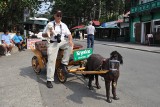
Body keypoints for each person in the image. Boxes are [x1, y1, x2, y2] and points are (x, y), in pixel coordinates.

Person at [42, 10, 74, 88]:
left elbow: (69, 34)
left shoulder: (63, 25)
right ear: (54, 16)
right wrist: (50, 33)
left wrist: (70, 40)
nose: (59, 17)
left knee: (70, 45)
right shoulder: (50, 24)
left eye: (60, 15)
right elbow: (43, 34)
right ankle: (49, 80)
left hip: (61, 41)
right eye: (57, 15)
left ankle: (64, 64)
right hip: (52, 42)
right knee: (51, 61)